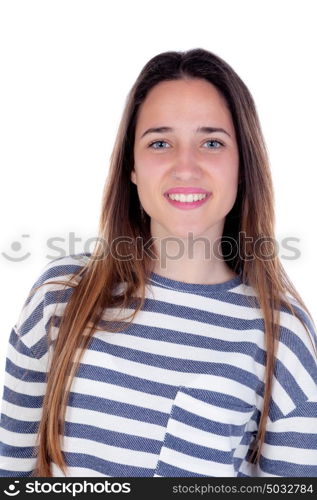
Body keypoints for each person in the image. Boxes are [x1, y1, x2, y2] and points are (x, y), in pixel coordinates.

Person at [0, 48, 316, 478]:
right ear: (132, 166)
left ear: (242, 167)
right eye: (160, 143)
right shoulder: (59, 297)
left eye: (212, 142)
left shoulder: (283, 335)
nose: (186, 167)